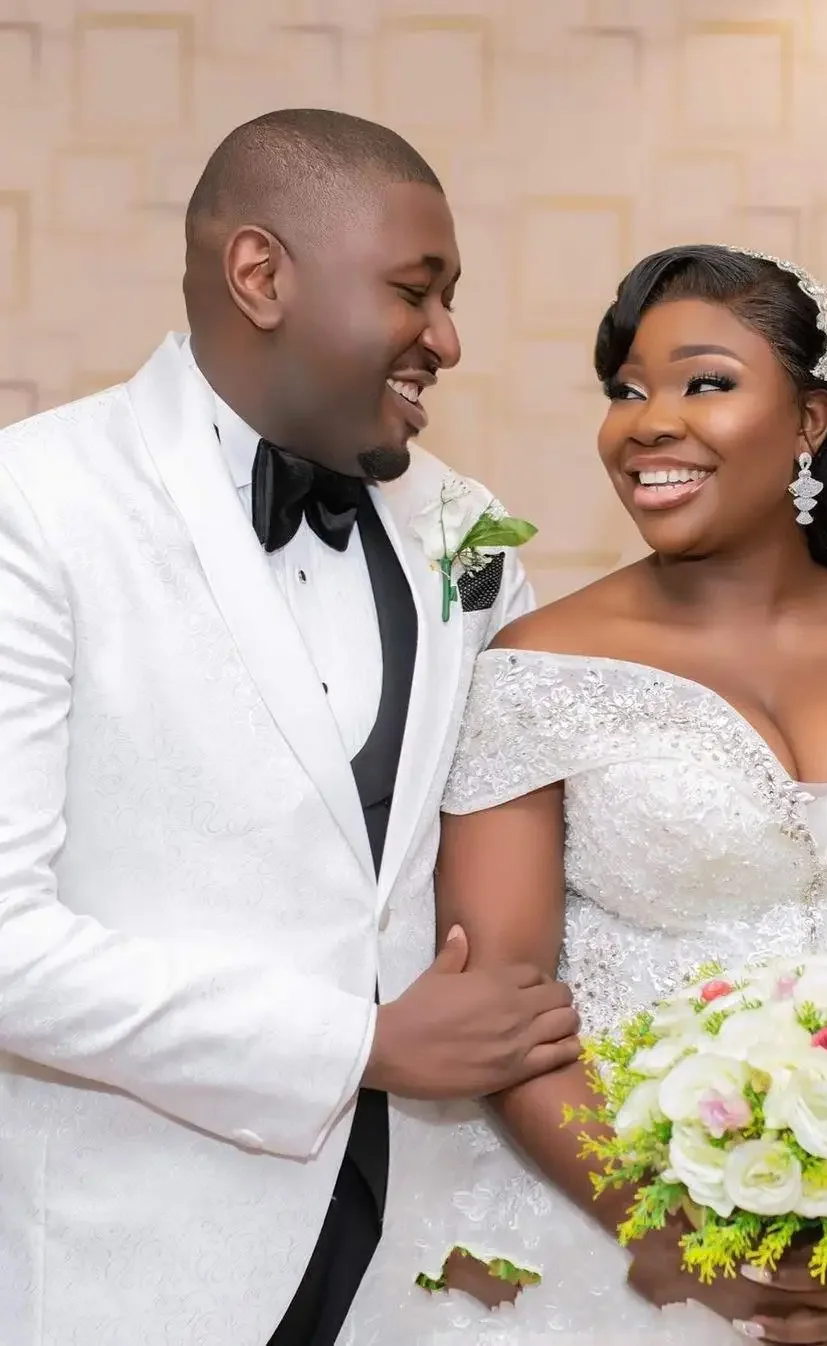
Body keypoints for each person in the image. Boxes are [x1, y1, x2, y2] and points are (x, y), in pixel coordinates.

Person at [352, 245, 827, 1344]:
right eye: (627, 390)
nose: (647, 420)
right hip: (617, 1228)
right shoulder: (539, 671)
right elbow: (503, 988)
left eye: (705, 381)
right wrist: (688, 1250)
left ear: (811, 420)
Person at [0, 109, 582, 1346]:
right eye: (415, 293)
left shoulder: (465, 527)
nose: (449, 340)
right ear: (260, 275)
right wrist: (355, 1041)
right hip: (142, 1257)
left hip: (427, 1256)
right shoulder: (34, 509)